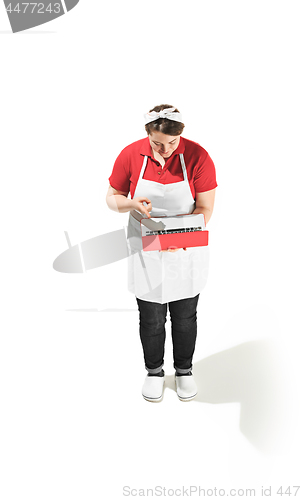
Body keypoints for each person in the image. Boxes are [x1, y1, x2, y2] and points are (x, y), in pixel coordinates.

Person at [106, 104, 217, 402]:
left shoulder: (199, 156)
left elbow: (205, 207)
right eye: (157, 143)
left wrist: (185, 233)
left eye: (172, 143)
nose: (165, 150)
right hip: (147, 248)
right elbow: (112, 198)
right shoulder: (131, 154)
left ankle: (184, 371)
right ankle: (154, 371)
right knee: (152, 317)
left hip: (184, 247)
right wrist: (131, 204)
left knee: (184, 316)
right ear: (147, 134)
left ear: (181, 134)